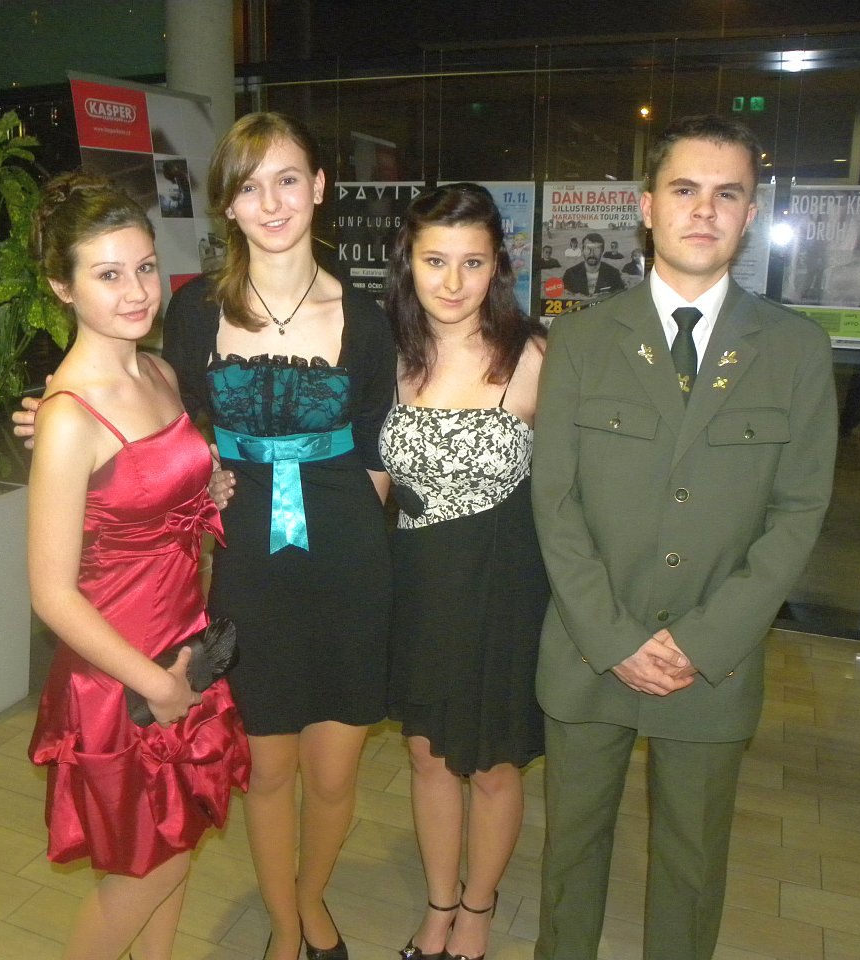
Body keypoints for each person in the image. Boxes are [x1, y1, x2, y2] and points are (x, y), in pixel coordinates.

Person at [532, 115, 837, 960]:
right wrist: (614, 637)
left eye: (726, 194)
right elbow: (555, 502)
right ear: (647, 207)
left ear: (750, 214)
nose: (704, 210)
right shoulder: (581, 340)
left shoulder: (795, 351)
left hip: (715, 662)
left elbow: (799, 512)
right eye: (684, 189)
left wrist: (701, 642)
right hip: (591, 649)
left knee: (692, 865)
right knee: (570, 856)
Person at [161, 112, 396, 960]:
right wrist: (200, 474)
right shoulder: (194, 313)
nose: (272, 202)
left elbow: (375, 450)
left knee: (334, 774)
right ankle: (286, 927)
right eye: (250, 186)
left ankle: (309, 897)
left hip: (349, 564)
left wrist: (354, 539)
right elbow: (168, 426)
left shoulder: (366, 318)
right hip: (249, 570)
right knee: (267, 771)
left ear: (320, 187)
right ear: (227, 204)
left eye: (288, 179)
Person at [25, 173, 250, 960]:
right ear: (64, 287)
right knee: (145, 872)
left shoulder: (158, 373)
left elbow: (149, 496)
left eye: (146, 267)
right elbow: (51, 593)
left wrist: (202, 490)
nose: (136, 291)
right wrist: (157, 685)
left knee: (177, 842)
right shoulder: (67, 416)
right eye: (108, 274)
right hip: (120, 675)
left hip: (181, 642)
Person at [379, 183, 548, 960]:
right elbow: (363, 484)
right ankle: (439, 904)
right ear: (407, 263)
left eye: (472, 262)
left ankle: (478, 910)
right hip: (416, 584)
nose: (452, 282)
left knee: (493, 763)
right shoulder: (389, 357)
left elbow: (580, 485)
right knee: (427, 753)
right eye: (435, 261)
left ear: (497, 266)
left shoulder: (533, 358)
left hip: (503, 588)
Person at [561, 232, 626, 300]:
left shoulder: (613, 274)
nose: (592, 254)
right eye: (588, 249)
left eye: (596, 249)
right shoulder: (570, 274)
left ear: (602, 251)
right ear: (583, 250)